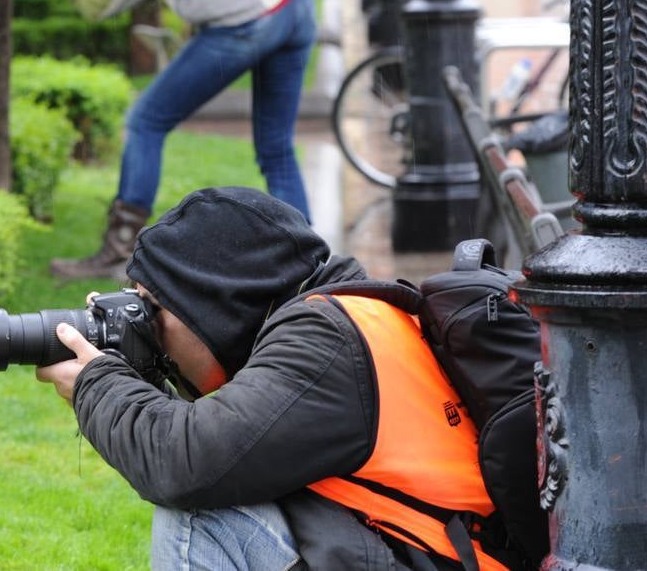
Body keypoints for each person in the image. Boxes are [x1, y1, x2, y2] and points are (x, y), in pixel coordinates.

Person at [37, 187, 522, 571]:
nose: (147, 325)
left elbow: (185, 461)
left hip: (449, 558)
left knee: (203, 517)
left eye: (154, 308)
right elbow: (224, 443)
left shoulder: (324, 341)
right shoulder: (350, 315)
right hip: (433, 553)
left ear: (214, 302)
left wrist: (95, 383)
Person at [38, 0, 316, 281]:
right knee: (276, 146)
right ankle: (309, 266)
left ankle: (117, 249)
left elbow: (95, 3)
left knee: (146, 120)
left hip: (249, 23)